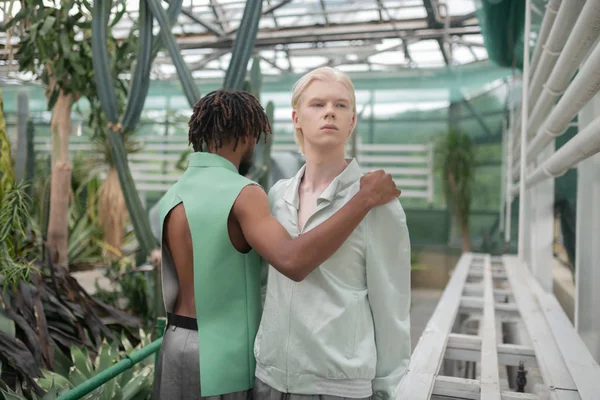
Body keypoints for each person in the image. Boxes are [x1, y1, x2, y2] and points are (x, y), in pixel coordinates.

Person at [152, 89, 402, 400]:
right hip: (221, 359)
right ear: (247, 135)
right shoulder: (243, 192)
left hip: (174, 344)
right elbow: (293, 261)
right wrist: (362, 199)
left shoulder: (174, 194)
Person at [253, 67, 412, 400]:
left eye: (341, 106)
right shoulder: (275, 198)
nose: (330, 111)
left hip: (338, 388)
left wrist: (387, 389)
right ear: (296, 119)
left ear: (352, 121)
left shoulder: (379, 206)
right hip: (269, 380)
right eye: (318, 104)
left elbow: (391, 306)